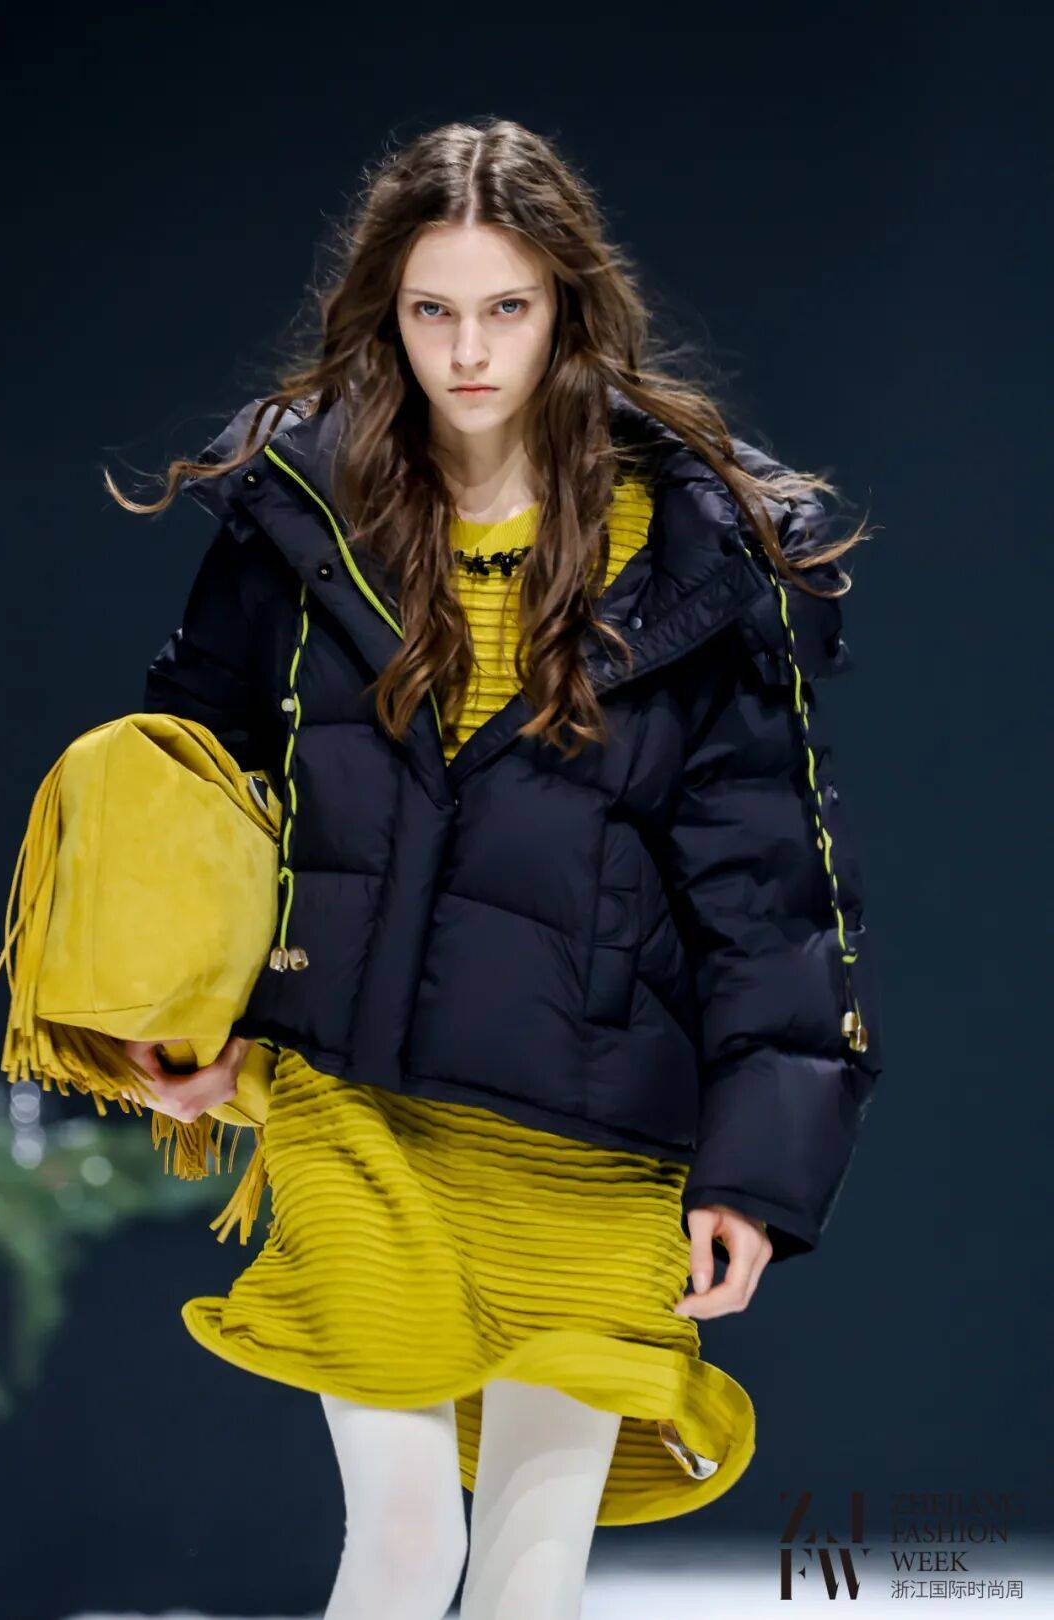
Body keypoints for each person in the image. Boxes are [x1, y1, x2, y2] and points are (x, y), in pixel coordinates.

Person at [106, 117, 883, 1620]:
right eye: (433, 309)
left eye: (507, 307)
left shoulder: (691, 552)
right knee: (406, 1546)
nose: (469, 351)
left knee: (532, 1575)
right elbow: (192, 778)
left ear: (568, 309)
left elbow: (772, 886)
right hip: (354, 1103)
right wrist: (174, 1012)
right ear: (386, 313)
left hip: (595, 1132)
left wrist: (757, 1168)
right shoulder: (301, 514)